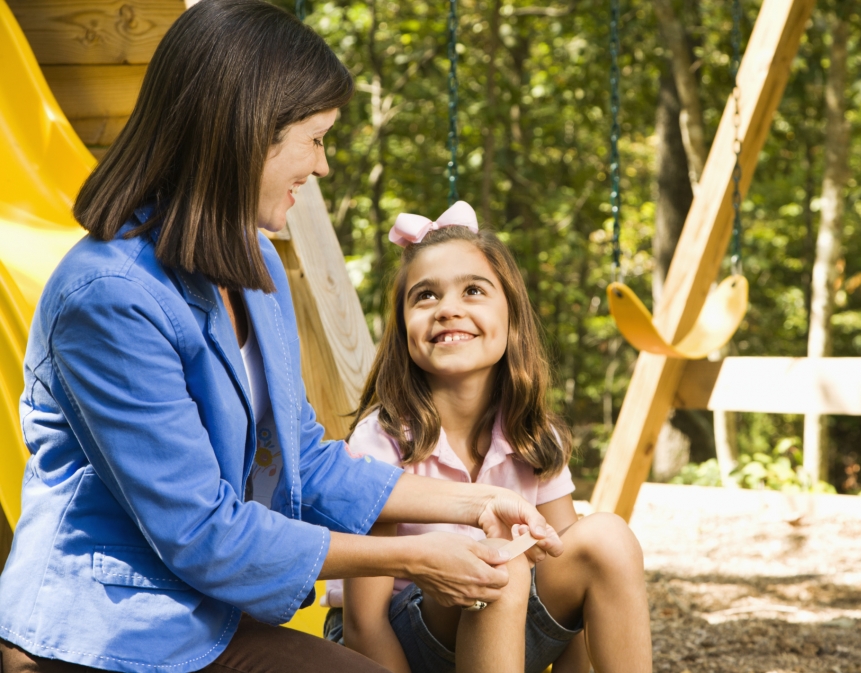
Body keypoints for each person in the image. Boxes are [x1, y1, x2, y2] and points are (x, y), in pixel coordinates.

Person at [0, 3, 563, 672]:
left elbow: (305, 457)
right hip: (104, 635)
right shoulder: (107, 298)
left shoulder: (256, 261)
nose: (323, 164)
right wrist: (414, 554)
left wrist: (475, 502)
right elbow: (202, 531)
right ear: (248, 133)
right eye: (315, 137)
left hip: (201, 619)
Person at [327, 204, 652, 673]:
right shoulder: (383, 440)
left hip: (503, 626)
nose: (449, 309)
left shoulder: (533, 434)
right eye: (425, 297)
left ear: (512, 317)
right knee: (501, 564)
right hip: (392, 647)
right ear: (402, 329)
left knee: (606, 539)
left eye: (473, 290)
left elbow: (568, 576)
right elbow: (362, 625)